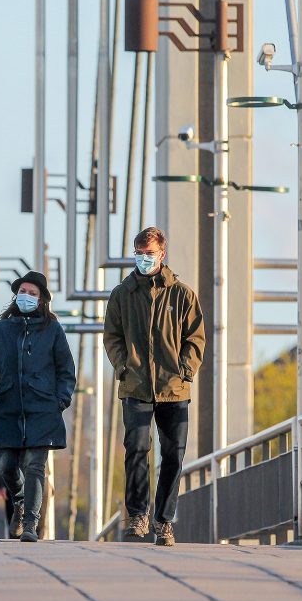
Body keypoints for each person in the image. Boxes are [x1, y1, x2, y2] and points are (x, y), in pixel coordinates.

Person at [104, 226, 205, 547]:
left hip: (174, 388)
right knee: (136, 448)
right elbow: (112, 337)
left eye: (149, 253)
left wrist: (185, 370)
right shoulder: (122, 294)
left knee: (173, 454)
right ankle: (137, 515)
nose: (144, 259)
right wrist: (123, 367)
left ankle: (164, 521)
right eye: (139, 253)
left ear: (162, 254)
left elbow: (196, 337)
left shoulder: (182, 294)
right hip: (136, 386)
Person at [0, 271, 75, 542]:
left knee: (35, 465)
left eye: (32, 293)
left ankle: (30, 523)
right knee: (5, 465)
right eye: (22, 291)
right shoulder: (2, 330)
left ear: (42, 300)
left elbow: (66, 369)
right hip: (9, 408)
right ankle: (20, 501)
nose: (26, 296)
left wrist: (60, 400)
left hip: (43, 409)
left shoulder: (52, 330)